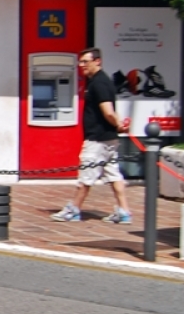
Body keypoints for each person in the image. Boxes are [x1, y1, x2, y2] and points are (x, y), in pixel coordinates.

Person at [52, 48, 132, 223]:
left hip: (97, 139)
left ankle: (74, 209)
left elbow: (108, 111)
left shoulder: (99, 83)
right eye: (80, 62)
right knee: (113, 174)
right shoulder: (99, 81)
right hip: (108, 138)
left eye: (85, 62)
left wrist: (118, 124)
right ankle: (124, 211)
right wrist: (118, 126)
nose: (82, 66)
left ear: (97, 61)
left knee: (86, 176)